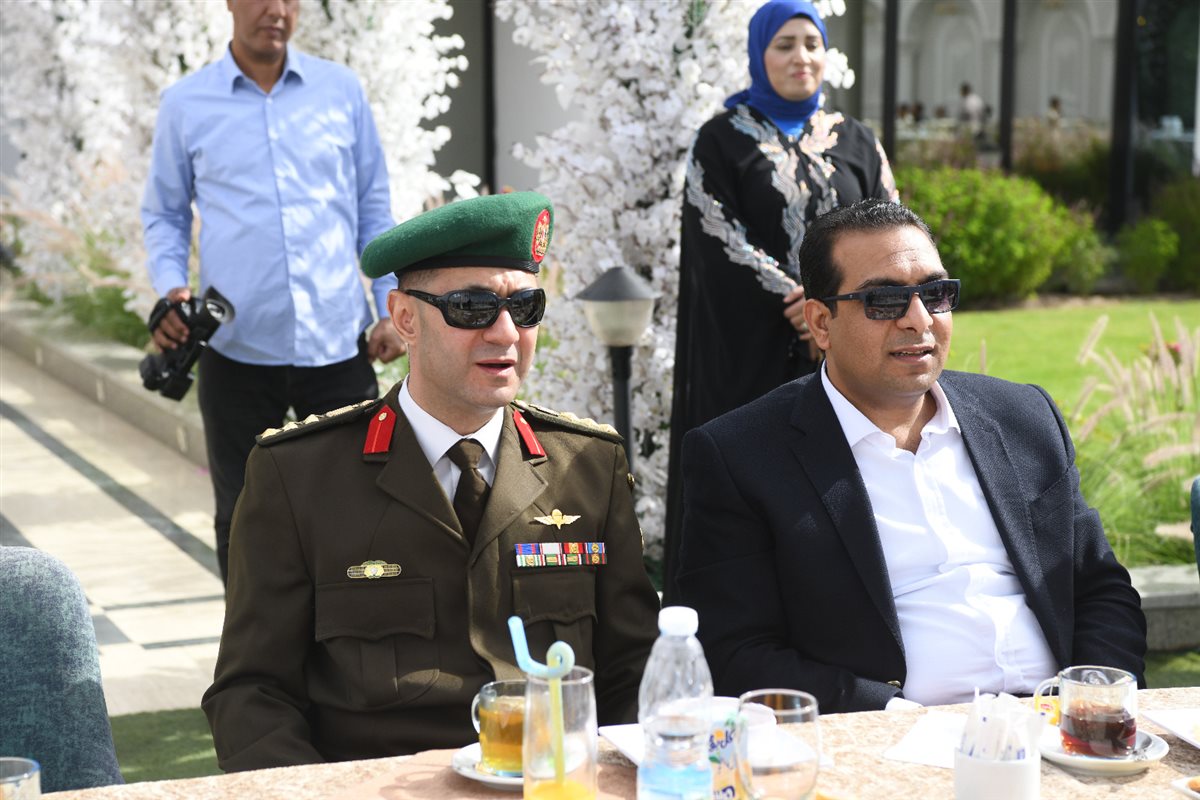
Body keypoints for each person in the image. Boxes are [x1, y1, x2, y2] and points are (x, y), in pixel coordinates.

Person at [201, 192, 661, 771]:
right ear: (404, 319)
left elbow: (633, 669)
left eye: (525, 306)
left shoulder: (587, 464)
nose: (505, 333)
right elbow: (252, 693)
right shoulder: (299, 475)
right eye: (472, 307)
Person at [675, 199, 1147, 713]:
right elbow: (735, 652)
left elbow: (1100, 588)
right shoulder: (741, 455)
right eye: (884, 300)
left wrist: (1090, 703)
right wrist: (894, 719)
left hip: (1059, 725)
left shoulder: (1024, 418)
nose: (919, 319)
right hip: (895, 737)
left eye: (936, 294)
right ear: (821, 322)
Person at [141, 0, 405, 585]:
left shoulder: (341, 91)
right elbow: (164, 213)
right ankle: (253, 645)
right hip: (235, 348)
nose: (277, 10)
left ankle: (344, 640)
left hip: (338, 346)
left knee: (358, 515)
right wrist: (173, 288)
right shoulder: (186, 103)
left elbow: (373, 207)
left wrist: (390, 304)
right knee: (243, 519)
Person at [665, 0, 899, 601]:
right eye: (785, 45)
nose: (801, 57)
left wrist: (837, 307)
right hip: (754, 350)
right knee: (755, 478)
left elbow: (891, 230)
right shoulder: (721, 139)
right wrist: (797, 301)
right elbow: (715, 231)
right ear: (759, 55)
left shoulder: (858, 140)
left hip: (851, 343)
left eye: (812, 44)